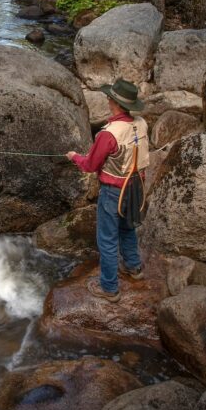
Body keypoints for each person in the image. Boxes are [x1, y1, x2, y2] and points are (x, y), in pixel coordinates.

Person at [66, 78, 150, 302]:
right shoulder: (141, 123)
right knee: (128, 228)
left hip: (113, 191)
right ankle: (134, 267)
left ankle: (110, 288)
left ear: (114, 102)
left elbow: (90, 165)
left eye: (109, 97)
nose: (107, 99)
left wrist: (74, 157)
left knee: (107, 239)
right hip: (136, 187)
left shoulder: (108, 133)